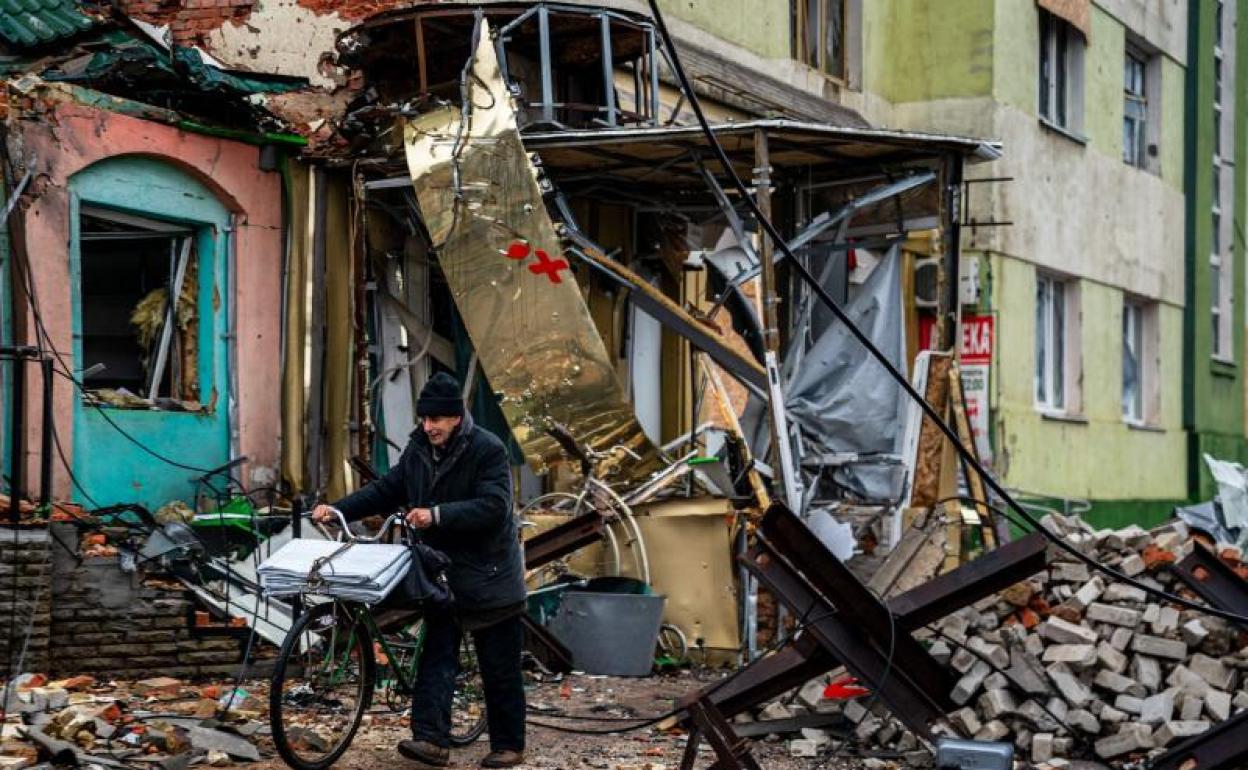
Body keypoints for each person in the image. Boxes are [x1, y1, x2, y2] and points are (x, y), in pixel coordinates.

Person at [312, 371, 527, 768]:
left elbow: (495, 506)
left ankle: (508, 744)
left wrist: (437, 515)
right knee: (437, 654)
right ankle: (431, 740)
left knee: (498, 664)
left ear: (456, 418)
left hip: (488, 573)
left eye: (437, 420)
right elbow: (386, 489)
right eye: (424, 419)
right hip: (441, 573)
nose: (429, 427)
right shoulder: (418, 450)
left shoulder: (488, 449)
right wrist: (339, 508)